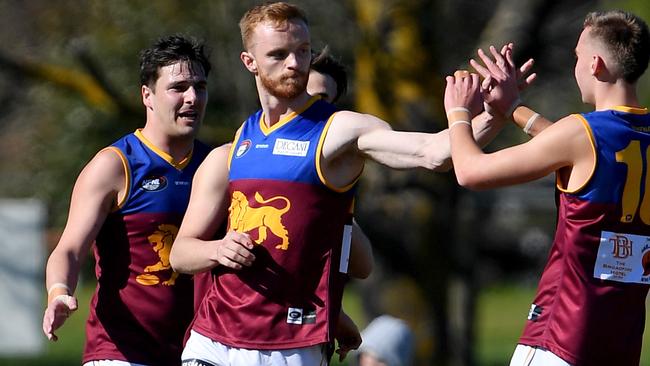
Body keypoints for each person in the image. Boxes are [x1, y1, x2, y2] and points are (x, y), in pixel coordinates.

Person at [170, 2, 525, 365]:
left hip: (288, 348)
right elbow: (180, 253)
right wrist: (218, 250)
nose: (295, 64)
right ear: (250, 62)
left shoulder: (339, 130)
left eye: (303, 51)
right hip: (211, 342)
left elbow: (432, 152)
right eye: (278, 55)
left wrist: (493, 115)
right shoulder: (235, 148)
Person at [445, 10, 650, 366]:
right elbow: (585, 151)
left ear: (595, 64)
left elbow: (469, 172)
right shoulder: (626, 136)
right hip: (622, 341)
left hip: (560, 338)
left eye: (577, 58)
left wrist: (458, 112)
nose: (575, 67)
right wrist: (514, 109)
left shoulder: (580, 133)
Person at [42, 35, 212, 366]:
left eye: (200, 87)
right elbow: (69, 249)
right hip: (120, 352)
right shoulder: (115, 165)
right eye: (178, 87)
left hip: (196, 352)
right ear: (147, 95)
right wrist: (59, 292)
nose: (192, 98)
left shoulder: (217, 164)